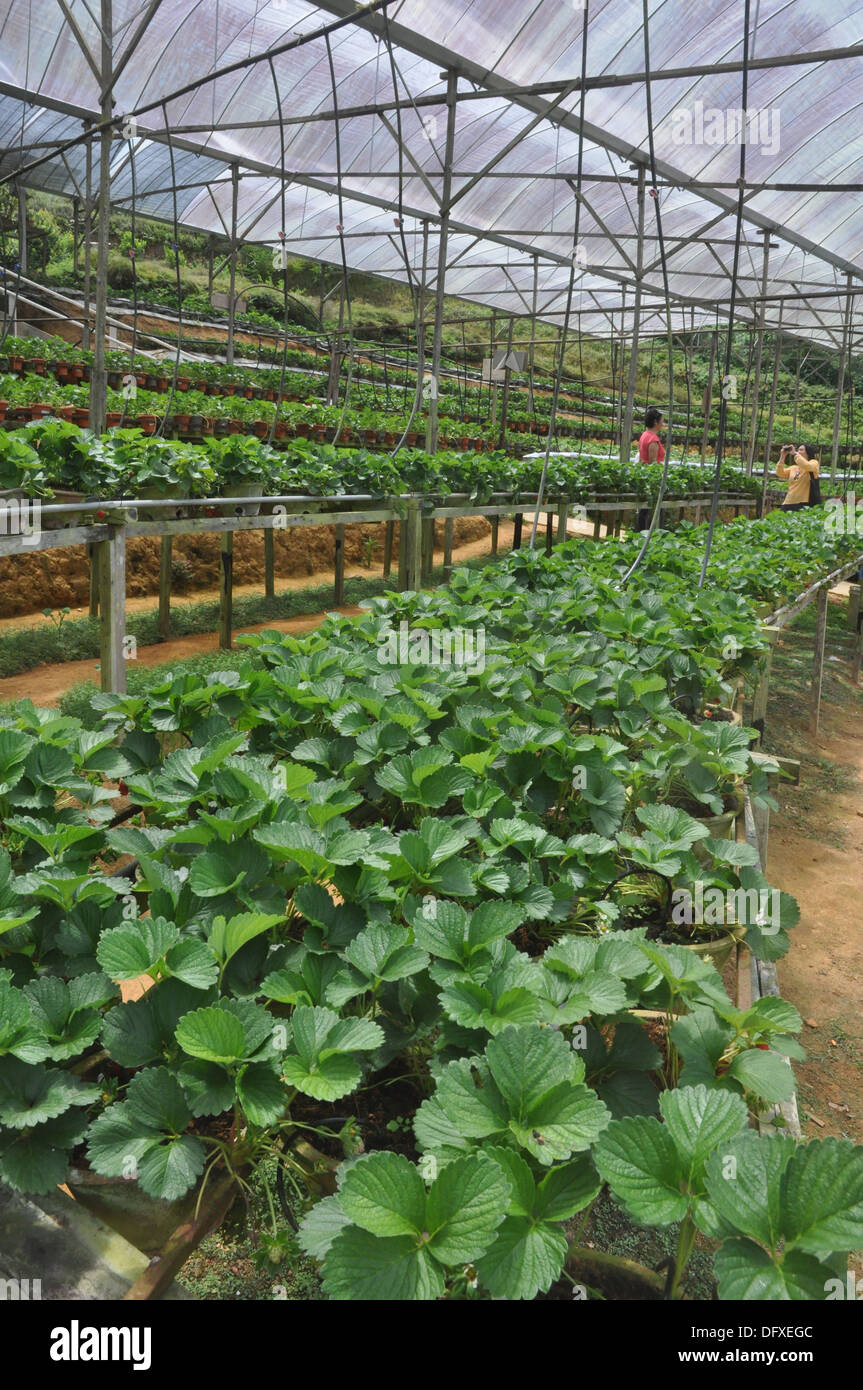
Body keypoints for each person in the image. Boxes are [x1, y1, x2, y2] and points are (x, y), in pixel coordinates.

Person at [636, 407, 665, 530]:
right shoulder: (653, 439)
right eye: (661, 421)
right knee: (653, 508)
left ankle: (640, 534)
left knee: (644, 509)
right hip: (651, 478)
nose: (663, 424)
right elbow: (653, 463)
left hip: (643, 474)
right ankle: (649, 534)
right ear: (655, 422)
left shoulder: (644, 435)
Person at [777, 443, 820, 510]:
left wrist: (795, 454)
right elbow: (780, 473)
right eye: (798, 450)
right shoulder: (793, 468)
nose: (798, 452)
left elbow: (807, 465)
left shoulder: (814, 463)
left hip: (804, 502)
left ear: (808, 452)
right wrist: (783, 456)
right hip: (788, 502)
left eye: (801, 450)